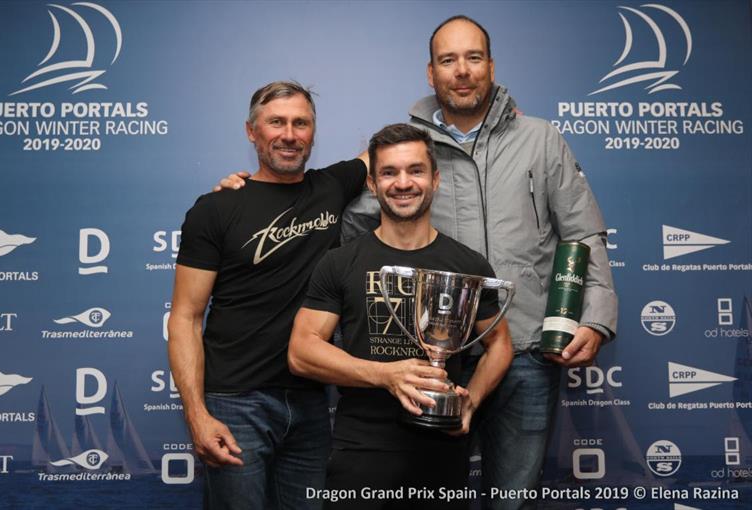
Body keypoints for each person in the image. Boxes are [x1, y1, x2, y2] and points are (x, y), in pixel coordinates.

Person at [341, 16, 618, 510]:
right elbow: (344, 218)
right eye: (448, 60)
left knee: (513, 501)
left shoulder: (540, 138)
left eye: (473, 58)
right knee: (428, 500)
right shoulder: (409, 148)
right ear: (431, 73)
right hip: (433, 360)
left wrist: (595, 316)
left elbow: (583, 231)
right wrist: (257, 189)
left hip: (529, 349)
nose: (462, 71)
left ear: (491, 65)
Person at [288, 123, 513, 510]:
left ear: (435, 179)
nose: (403, 183)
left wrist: (470, 403)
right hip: (361, 451)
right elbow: (301, 352)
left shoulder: (467, 264)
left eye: (415, 170)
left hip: (442, 452)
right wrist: (386, 375)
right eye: (389, 173)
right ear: (373, 185)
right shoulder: (341, 261)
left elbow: (500, 344)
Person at [168, 81, 367, 510]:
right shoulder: (215, 209)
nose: (290, 134)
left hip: (311, 404)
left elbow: (398, 149)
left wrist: (486, 129)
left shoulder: (332, 187)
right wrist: (197, 415)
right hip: (235, 404)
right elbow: (185, 317)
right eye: (276, 122)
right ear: (251, 131)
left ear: (314, 131)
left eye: (301, 123)